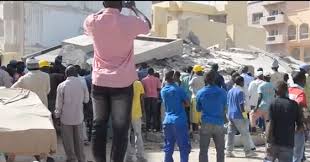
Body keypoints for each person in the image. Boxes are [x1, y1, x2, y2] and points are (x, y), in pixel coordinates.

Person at [83, 1, 151, 161]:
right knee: (120, 129)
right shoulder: (129, 22)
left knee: (98, 126)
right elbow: (147, 25)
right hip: (122, 82)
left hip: (99, 81)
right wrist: (132, 7)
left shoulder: (92, 20)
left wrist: (106, 8)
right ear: (121, 4)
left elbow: (94, 19)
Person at [54, 65, 89, 162]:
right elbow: (86, 100)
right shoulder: (82, 84)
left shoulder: (61, 85)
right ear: (76, 73)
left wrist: (57, 115)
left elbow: (59, 104)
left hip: (66, 118)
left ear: (66, 74)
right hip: (79, 117)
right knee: (79, 140)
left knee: (68, 141)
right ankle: (81, 159)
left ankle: (71, 159)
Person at [264, 81, 304, 162]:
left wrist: (268, 142)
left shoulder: (273, 104)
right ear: (287, 91)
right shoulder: (294, 105)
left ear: (275, 91)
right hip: (288, 143)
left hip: (273, 143)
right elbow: (300, 125)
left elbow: (270, 124)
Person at [196, 70, 227, 162]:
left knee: (203, 150)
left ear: (205, 79)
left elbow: (198, 108)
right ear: (215, 79)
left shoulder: (200, 92)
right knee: (220, 150)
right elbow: (225, 107)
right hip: (219, 123)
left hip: (206, 123)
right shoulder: (222, 92)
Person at [161, 70, 191, 162]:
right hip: (180, 121)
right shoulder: (179, 89)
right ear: (174, 78)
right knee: (184, 148)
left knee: (169, 147)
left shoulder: (163, 90)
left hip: (167, 121)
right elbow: (187, 103)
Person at [226, 76, 256, 158]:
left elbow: (228, 104)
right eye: (243, 82)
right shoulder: (240, 92)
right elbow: (241, 105)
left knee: (230, 134)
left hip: (230, 115)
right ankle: (248, 152)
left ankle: (228, 151)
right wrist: (245, 116)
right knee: (245, 134)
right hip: (238, 115)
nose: (244, 84)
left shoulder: (230, 91)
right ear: (240, 82)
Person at [125, 80, 147, 162]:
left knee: (126, 136)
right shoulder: (138, 83)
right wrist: (144, 112)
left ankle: (129, 157)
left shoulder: (123, 83)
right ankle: (140, 156)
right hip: (136, 113)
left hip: (125, 113)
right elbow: (141, 99)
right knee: (138, 134)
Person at [288, 71, 308, 162]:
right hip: (297, 125)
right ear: (302, 80)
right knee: (297, 154)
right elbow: (303, 108)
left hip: (284, 125)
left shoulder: (287, 90)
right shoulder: (300, 93)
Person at [142, 68, 162, 132]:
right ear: (153, 72)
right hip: (154, 97)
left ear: (147, 72)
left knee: (148, 113)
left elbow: (142, 90)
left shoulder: (143, 80)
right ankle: (154, 128)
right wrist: (156, 94)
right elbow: (159, 89)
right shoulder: (157, 79)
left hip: (147, 97)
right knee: (154, 113)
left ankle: (148, 128)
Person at [189, 65, 205, 132]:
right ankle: (202, 129)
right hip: (202, 98)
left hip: (195, 97)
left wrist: (191, 74)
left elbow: (189, 84)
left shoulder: (194, 78)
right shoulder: (203, 78)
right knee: (201, 114)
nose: (202, 71)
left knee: (194, 115)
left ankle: (195, 130)